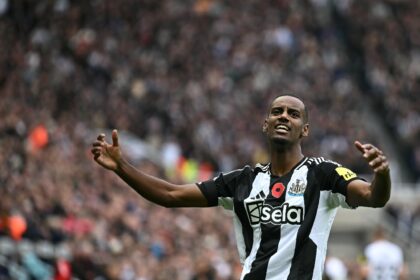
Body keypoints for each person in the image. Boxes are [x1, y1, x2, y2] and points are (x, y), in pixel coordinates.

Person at [91, 95, 391, 280]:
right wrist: (122, 167)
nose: (284, 116)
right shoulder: (241, 181)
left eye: (293, 113)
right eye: (277, 111)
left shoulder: (323, 174)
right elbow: (170, 195)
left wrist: (383, 175)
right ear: (266, 124)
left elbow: (373, 197)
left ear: (305, 130)